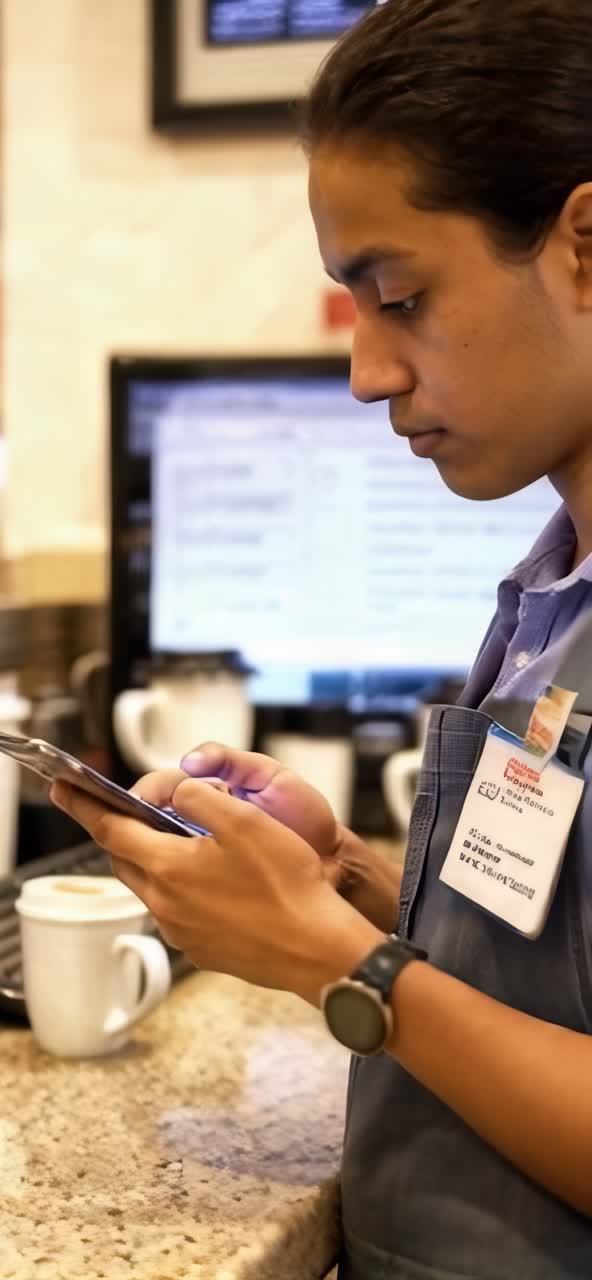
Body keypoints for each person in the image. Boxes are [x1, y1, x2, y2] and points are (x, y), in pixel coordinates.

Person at [51, 1, 592, 1275]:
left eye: (400, 296)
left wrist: (335, 959)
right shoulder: (550, 592)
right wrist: (341, 867)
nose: (366, 372)